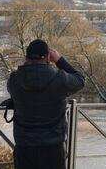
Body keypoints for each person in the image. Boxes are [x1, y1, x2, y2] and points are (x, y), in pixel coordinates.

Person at [7, 39, 85, 169]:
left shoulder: (14, 80)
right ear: (49, 57)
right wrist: (60, 60)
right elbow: (80, 80)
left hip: (24, 147)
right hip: (53, 148)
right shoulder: (60, 79)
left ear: (26, 58)